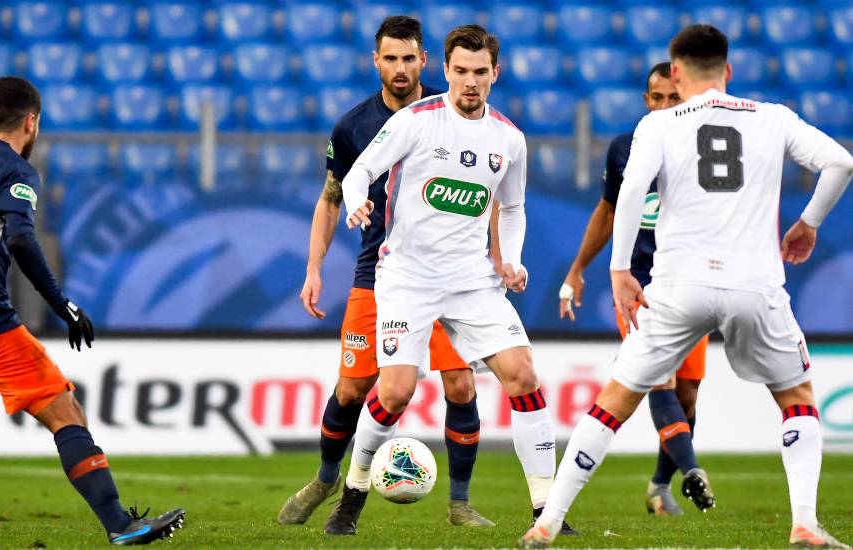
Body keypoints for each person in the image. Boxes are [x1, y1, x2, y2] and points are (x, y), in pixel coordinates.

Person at [521, 24, 853, 548]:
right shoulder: (772, 118)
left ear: (675, 72)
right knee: (796, 398)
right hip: (754, 283)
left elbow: (630, 193)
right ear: (730, 71)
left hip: (678, 285)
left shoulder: (659, 124)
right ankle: (805, 523)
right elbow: (841, 162)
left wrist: (620, 269)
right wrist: (807, 223)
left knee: (614, 401)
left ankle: (548, 521)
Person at [335, 23, 571, 536]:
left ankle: (546, 512)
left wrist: (512, 259)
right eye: (460, 71)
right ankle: (352, 494)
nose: (470, 81)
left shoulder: (509, 139)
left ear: (495, 74)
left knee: (524, 376)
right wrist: (356, 206)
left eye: (479, 72)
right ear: (444, 70)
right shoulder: (416, 121)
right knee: (394, 392)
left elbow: (513, 207)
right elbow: (357, 173)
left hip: (472, 280)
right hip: (407, 277)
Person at [277, 16, 494, 533]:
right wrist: (313, 267)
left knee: (461, 384)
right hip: (376, 275)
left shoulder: (451, 114)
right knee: (352, 390)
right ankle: (327, 479)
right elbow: (331, 200)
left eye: (409, 58)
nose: (400, 68)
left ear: (425, 62)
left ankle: (460, 503)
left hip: (443, 279)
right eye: (390, 58)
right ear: (375, 61)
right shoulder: (352, 127)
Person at [0, 76, 185, 545]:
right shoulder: (14, 170)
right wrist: (62, 304)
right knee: (65, 411)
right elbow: (19, 236)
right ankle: (120, 524)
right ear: (31, 122)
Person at [558, 61, 713, 516]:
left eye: (674, 98)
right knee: (659, 382)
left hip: (693, 285)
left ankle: (658, 486)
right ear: (646, 101)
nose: (665, 105)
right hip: (640, 288)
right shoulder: (625, 148)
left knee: (687, 395)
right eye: (657, 98)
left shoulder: (706, 148)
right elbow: (607, 212)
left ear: (686, 97)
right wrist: (578, 268)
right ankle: (692, 473)